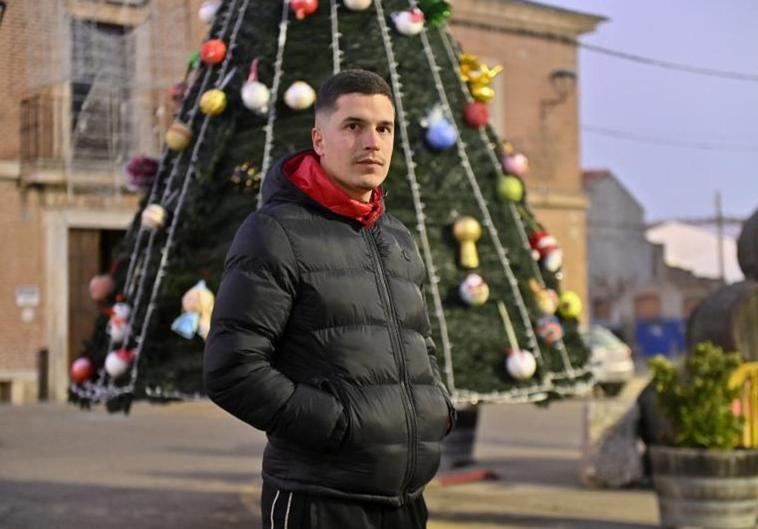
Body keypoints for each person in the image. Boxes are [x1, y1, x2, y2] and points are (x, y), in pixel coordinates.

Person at [204, 69, 455, 529]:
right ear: (319, 139)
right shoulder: (274, 232)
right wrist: (336, 425)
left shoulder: (396, 236)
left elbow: (419, 344)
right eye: (353, 126)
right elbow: (231, 369)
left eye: (384, 128)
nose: (373, 142)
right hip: (317, 500)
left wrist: (436, 408)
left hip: (406, 501)